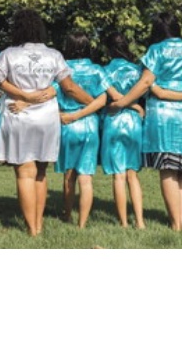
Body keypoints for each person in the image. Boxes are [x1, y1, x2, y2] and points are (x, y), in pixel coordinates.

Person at [0, 8, 96, 236]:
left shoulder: (8, 54)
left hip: (18, 117)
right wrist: (93, 103)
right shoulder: (54, 55)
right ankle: (38, 225)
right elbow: (70, 87)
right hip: (46, 117)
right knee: (40, 173)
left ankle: (31, 229)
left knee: (24, 173)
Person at [108, 12, 182, 232]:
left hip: (164, 119)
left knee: (168, 169)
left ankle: (175, 224)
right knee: (181, 170)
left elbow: (145, 83)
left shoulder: (156, 50)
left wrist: (122, 102)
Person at [53, 32, 110, 228]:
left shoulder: (62, 70)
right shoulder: (97, 70)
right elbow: (102, 101)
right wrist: (82, 114)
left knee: (69, 176)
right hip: (90, 125)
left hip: (68, 124)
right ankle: (82, 223)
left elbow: (52, 95)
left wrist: (70, 116)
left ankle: (67, 215)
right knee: (86, 179)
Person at [101, 31, 146, 229]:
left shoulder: (104, 71)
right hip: (134, 122)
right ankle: (140, 221)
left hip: (113, 120)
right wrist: (135, 106)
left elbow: (109, 97)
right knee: (132, 174)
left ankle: (124, 222)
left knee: (118, 175)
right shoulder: (138, 70)